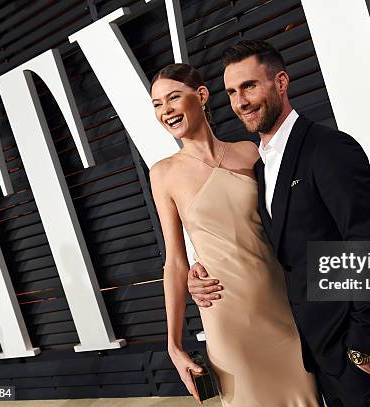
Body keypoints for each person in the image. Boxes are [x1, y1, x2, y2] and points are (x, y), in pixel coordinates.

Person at [187, 40, 370, 407]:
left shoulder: (329, 148)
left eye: (249, 86)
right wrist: (197, 271)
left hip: (359, 351)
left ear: (280, 83)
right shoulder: (261, 167)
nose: (240, 102)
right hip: (318, 353)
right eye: (231, 92)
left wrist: (362, 348)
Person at [149, 63, 319, 406]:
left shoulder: (250, 152)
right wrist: (174, 344)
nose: (165, 110)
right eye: (156, 104)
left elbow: (285, 225)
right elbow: (175, 261)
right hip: (226, 314)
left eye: (173, 98)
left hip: (282, 304)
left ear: (200, 96)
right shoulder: (164, 174)